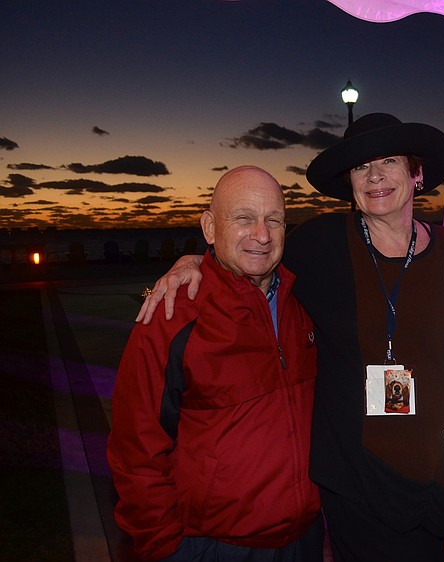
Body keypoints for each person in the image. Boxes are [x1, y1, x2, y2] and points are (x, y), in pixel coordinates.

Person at [137, 113, 444, 561]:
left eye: (389, 161)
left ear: (417, 173)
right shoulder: (318, 245)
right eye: (361, 166)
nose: (375, 176)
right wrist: (190, 263)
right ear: (349, 183)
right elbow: (250, 249)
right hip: (357, 492)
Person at [107, 166, 322, 561]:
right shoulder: (171, 317)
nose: (262, 234)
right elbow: (135, 448)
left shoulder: (307, 301)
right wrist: (163, 547)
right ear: (209, 228)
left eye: (274, 220)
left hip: (303, 538)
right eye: (243, 218)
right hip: (213, 546)